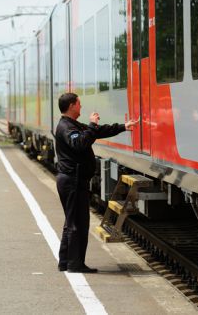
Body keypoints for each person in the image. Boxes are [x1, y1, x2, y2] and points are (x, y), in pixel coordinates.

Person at [54, 92, 137, 273]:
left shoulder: (72, 125)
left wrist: (123, 126)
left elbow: (97, 132)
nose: (81, 107)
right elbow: (80, 143)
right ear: (71, 106)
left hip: (73, 180)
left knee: (72, 221)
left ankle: (65, 261)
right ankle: (75, 264)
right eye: (79, 104)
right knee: (78, 223)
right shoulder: (66, 127)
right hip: (72, 181)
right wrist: (92, 124)